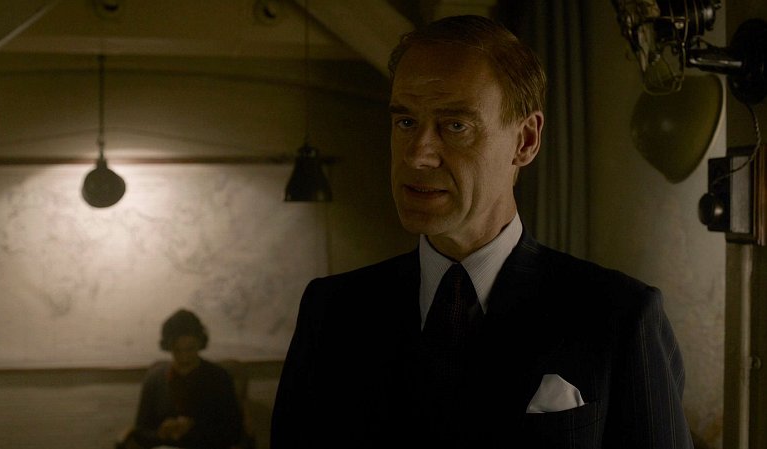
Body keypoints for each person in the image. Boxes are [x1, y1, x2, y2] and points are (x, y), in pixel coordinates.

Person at [270, 14, 693, 449]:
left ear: (525, 141)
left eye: (455, 126)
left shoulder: (617, 315)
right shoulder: (333, 312)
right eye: (406, 122)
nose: (417, 156)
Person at [121, 309, 244, 449]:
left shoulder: (219, 377)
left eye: (190, 349)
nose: (184, 358)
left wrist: (192, 429)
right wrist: (161, 434)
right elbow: (141, 432)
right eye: (177, 350)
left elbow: (234, 433)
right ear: (168, 347)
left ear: (200, 343)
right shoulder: (155, 379)